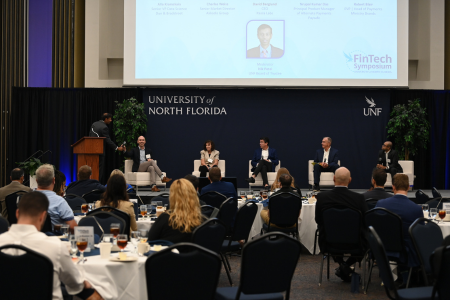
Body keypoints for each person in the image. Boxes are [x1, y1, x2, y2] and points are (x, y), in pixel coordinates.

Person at [0, 192, 102, 300]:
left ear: (17, 213)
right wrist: (84, 284)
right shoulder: (55, 247)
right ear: (43, 216)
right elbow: (75, 285)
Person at [315, 167, 368, 282]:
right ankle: (346, 266)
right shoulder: (359, 198)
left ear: (333, 179)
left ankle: (342, 265)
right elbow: (366, 221)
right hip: (356, 243)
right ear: (350, 180)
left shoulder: (322, 197)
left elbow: (318, 220)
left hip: (329, 242)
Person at [375, 174, 423, 285]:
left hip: (383, 247)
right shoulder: (416, 209)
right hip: (407, 250)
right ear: (408, 187)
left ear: (393, 187)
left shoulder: (380, 204)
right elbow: (420, 233)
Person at [148, 179, 203, 243]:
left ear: (172, 197)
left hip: (166, 253)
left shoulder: (164, 219)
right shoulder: (202, 222)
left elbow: (150, 242)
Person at [36, 164, 77, 232]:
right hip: (55, 239)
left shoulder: (25, 199)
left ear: (36, 180)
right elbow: (73, 227)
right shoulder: (59, 201)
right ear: (53, 180)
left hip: (29, 240)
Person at [89, 113, 125, 183]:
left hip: (90, 150)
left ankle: (91, 184)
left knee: (92, 168)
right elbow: (108, 140)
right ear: (106, 119)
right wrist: (117, 148)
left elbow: (90, 136)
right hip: (99, 151)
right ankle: (97, 184)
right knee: (99, 170)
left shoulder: (94, 124)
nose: (111, 120)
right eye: (110, 119)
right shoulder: (104, 127)